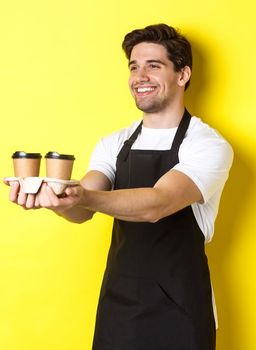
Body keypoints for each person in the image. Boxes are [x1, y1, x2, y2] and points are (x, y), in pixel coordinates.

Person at [6, 23, 232, 350]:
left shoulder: (207, 144)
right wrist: (57, 201)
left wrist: (82, 195)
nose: (140, 76)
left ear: (182, 75)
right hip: (120, 308)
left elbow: (158, 203)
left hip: (181, 311)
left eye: (153, 66)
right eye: (134, 67)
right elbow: (82, 210)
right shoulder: (115, 143)